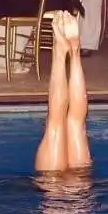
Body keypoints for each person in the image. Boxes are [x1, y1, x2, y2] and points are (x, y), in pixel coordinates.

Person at [35, 11, 91, 173]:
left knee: (74, 123)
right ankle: (66, 52)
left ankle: (69, 52)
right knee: (61, 124)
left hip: (75, 189)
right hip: (69, 193)